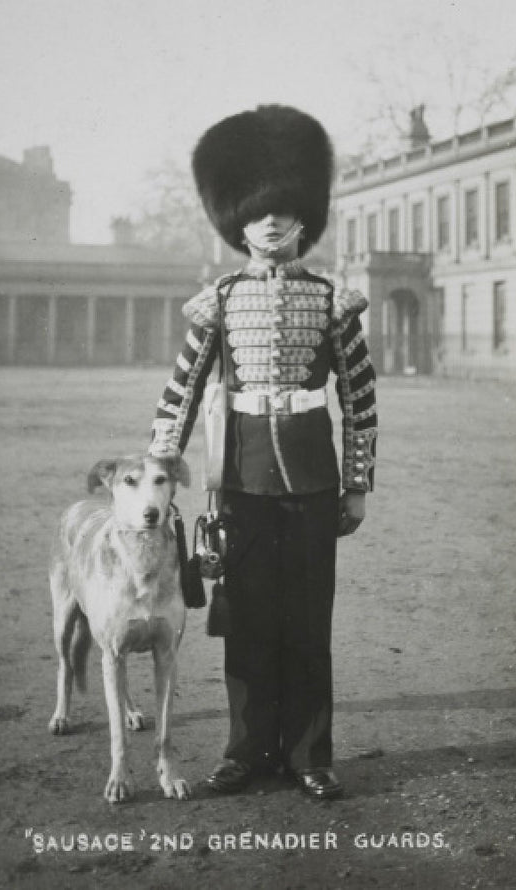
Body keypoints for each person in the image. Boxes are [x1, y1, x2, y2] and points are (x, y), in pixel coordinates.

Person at [149, 105, 377, 799]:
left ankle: (310, 754)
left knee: (309, 622)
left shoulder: (332, 300)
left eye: (283, 210)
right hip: (240, 483)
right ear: (236, 224)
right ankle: (246, 749)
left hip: (311, 481)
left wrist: (357, 484)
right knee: (245, 622)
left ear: (304, 218)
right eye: (257, 212)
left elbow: (361, 399)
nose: (271, 222)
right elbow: (182, 389)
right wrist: (161, 465)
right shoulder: (218, 299)